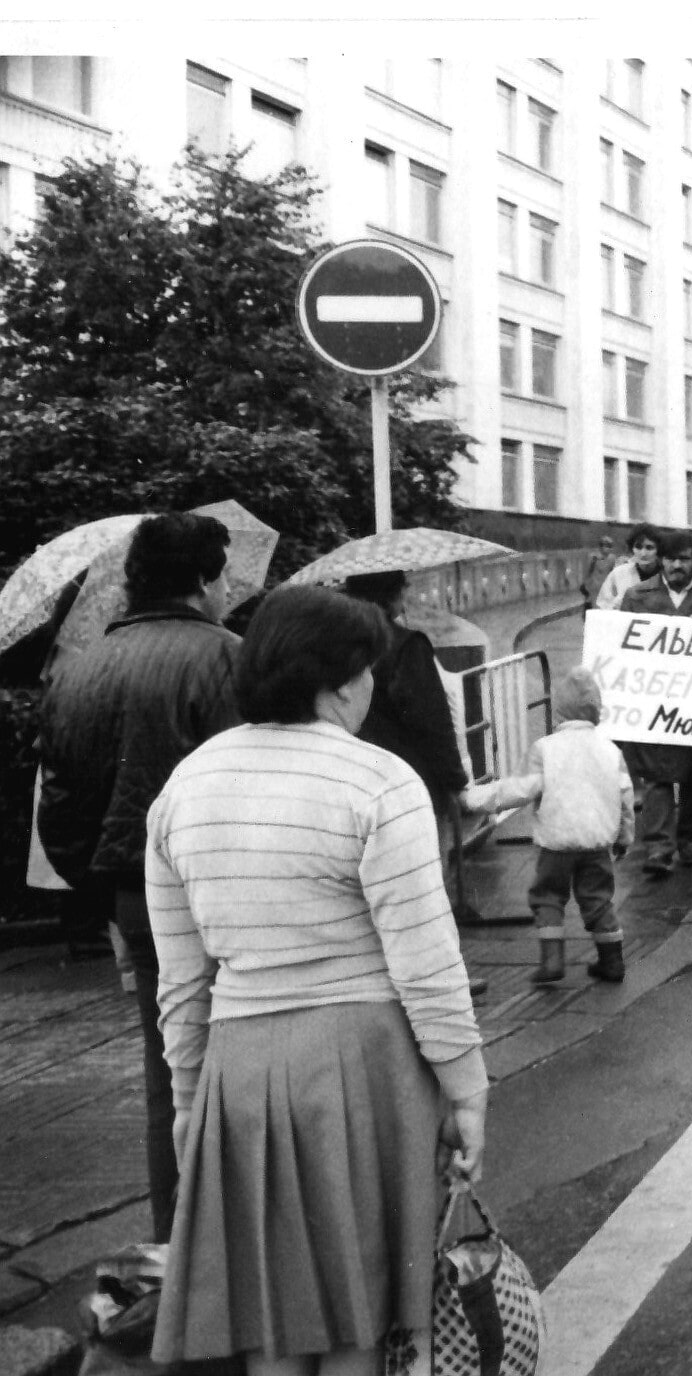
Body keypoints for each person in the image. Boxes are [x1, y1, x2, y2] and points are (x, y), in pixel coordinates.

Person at [145, 584, 487, 1375]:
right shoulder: (379, 781)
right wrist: (467, 1090)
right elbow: (427, 961)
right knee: (358, 1316)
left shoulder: (185, 787)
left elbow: (181, 977)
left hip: (239, 1065)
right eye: (366, 672)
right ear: (336, 683)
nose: (371, 687)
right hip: (366, 1061)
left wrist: (189, 1097)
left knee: (276, 1312)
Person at [38, 512, 240, 1242]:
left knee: (170, 1073)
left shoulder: (80, 668)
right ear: (203, 580)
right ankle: (244, 1249)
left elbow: (60, 808)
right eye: (222, 577)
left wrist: (106, 893)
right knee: (248, 1064)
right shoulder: (228, 659)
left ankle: (177, 1244)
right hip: (226, 894)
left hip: (132, 897)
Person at [463, 667, 635, 985]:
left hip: (556, 843)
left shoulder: (545, 748)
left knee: (548, 896)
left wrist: (474, 799)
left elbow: (519, 789)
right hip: (597, 843)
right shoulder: (612, 751)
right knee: (598, 899)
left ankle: (552, 961)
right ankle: (612, 961)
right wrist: (624, 837)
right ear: (596, 710)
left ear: (559, 709)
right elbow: (625, 799)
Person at [340, 571, 482, 950]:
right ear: (391, 594)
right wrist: (454, 778)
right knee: (423, 890)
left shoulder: (331, 643)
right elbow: (431, 720)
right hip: (411, 784)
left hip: (351, 783)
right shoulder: (405, 646)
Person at [617, 530, 692, 875]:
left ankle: (689, 840)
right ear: (661, 561)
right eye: (670, 559)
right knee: (656, 777)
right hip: (654, 701)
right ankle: (658, 847)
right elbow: (620, 645)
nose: (676, 566)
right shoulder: (637, 596)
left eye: (683, 559)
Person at [595, 523, 660, 610]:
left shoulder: (665, 576)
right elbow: (603, 605)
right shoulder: (619, 573)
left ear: (658, 550)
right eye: (638, 547)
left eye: (649, 548)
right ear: (632, 548)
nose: (643, 553)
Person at [580, 535, 619, 611]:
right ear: (601, 547)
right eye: (607, 546)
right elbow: (587, 573)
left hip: (606, 589)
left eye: (610, 546)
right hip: (594, 588)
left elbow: (613, 573)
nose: (609, 549)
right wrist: (587, 587)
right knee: (595, 608)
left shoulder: (612, 558)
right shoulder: (593, 558)